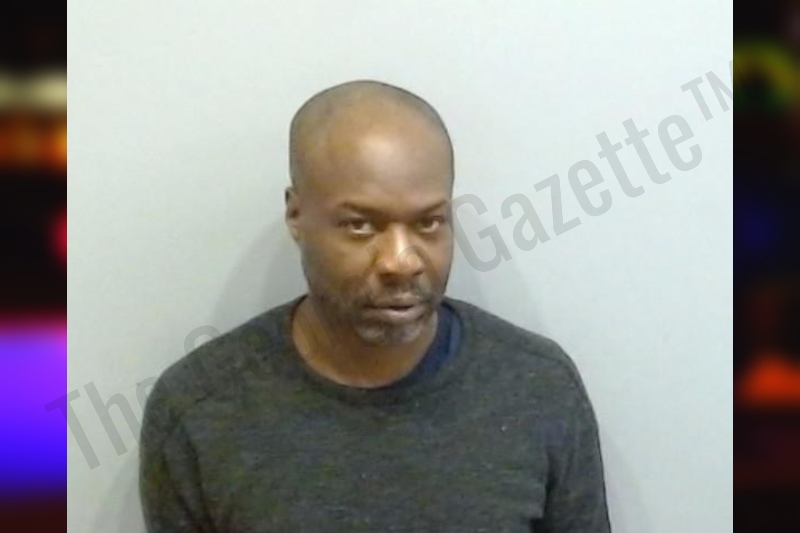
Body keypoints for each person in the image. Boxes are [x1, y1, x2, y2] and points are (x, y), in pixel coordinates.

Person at [139, 80, 612, 532]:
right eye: (361, 225)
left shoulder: (537, 388)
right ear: (296, 215)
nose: (401, 262)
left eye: (429, 223)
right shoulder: (199, 411)